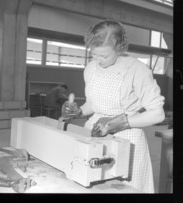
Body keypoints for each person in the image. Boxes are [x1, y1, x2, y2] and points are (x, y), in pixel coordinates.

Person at [62, 19, 165, 193]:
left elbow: (157, 114)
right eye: (94, 54)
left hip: (127, 139)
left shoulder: (137, 70)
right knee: (90, 184)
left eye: (104, 56)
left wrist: (116, 123)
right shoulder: (91, 68)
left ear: (120, 48)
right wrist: (79, 111)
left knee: (124, 189)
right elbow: (94, 104)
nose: (98, 60)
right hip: (94, 134)